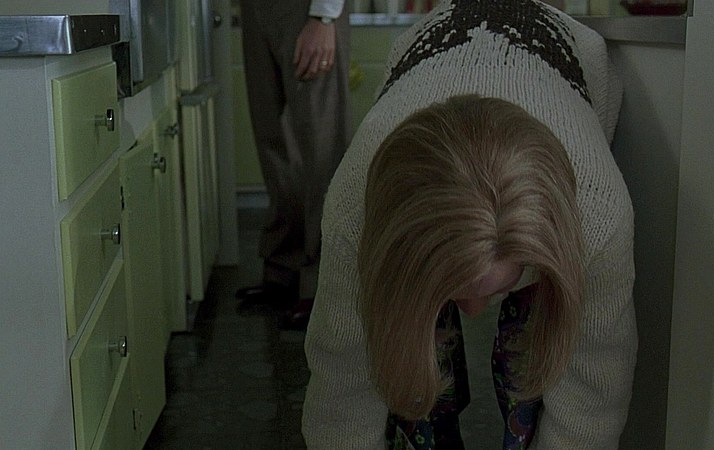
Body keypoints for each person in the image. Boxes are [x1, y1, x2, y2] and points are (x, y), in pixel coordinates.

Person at [303, 0, 637, 448]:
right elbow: (341, 387)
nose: (474, 311)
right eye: (459, 290)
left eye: (491, 289)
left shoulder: (597, 212)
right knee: (403, 346)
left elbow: (593, 393)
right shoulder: (355, 206)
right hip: (425, 51)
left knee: (541, 347)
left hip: (570, 64)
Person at [236, 0, 350, 326]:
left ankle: (322, 284)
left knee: (321, 147)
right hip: (258, 9)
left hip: (307, 10)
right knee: (274, 140)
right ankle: (284, 268)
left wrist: (324, 16)